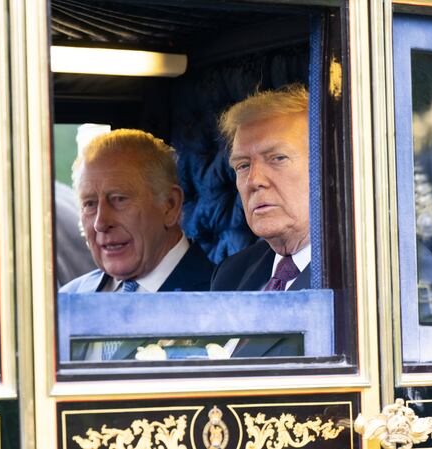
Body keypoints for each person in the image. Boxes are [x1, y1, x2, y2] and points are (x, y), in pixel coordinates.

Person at [60, 129, 214, 360]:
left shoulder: (220, 296)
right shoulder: (67, 299)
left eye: (119, 199)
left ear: (170, 205)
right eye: (90, 204)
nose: (101, 223)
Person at [211, 84, 312, 357]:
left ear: (327, 165)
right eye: (243, 165)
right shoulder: (231, 274)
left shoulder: (377, 276)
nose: (254, 181)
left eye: (277, 158)